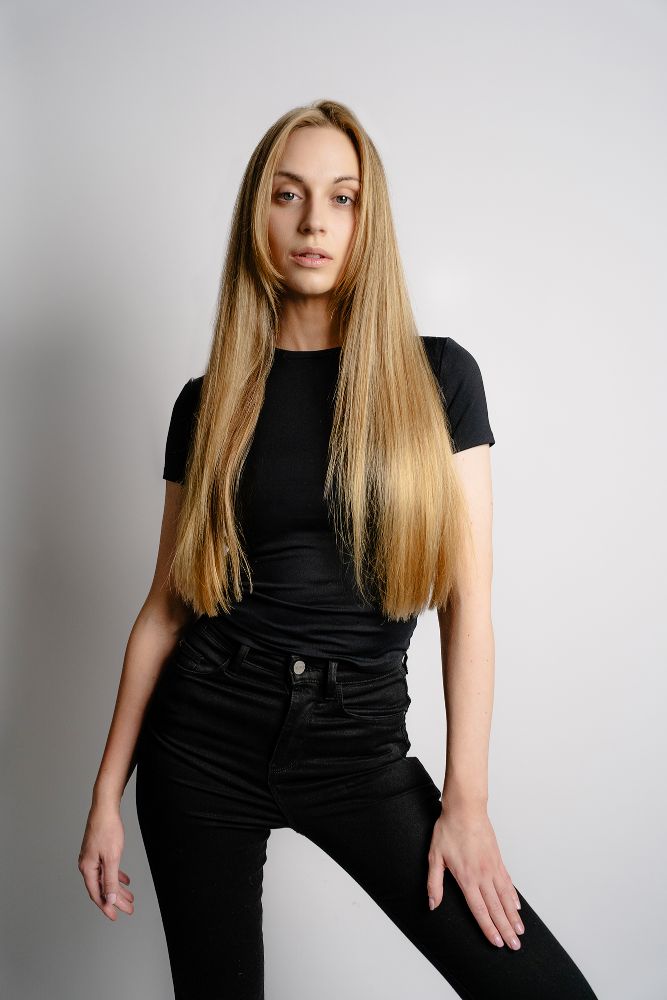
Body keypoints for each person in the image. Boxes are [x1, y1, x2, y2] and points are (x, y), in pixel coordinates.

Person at [77, 99, 599, 1000]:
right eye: (288, 195)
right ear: (258, 216)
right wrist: (103, 800)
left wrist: (466, 804)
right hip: (201, 741)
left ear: (367, 219)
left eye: (341, 198)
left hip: (356, 742)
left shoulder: (439, 378)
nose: (313, 221)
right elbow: (164, 609)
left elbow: (467, 607)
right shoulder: (208, 404)